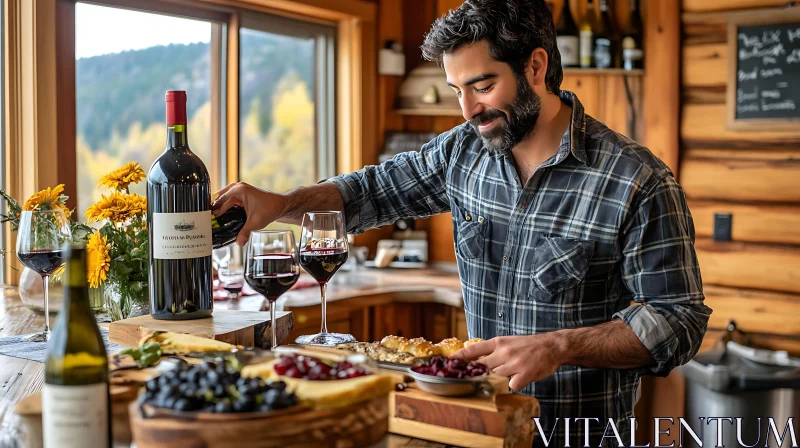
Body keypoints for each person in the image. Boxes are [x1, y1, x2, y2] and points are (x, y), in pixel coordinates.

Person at [212, 0, 712, 445]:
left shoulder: (636, 179)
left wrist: (559, 346)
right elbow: (366, 192)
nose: (469, 109)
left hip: (575, 432)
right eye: (456, 90)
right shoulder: (462, 152)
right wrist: (278, 204)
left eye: (483, 85)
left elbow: (678, 320)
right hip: (474, 427)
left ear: (536, 65)